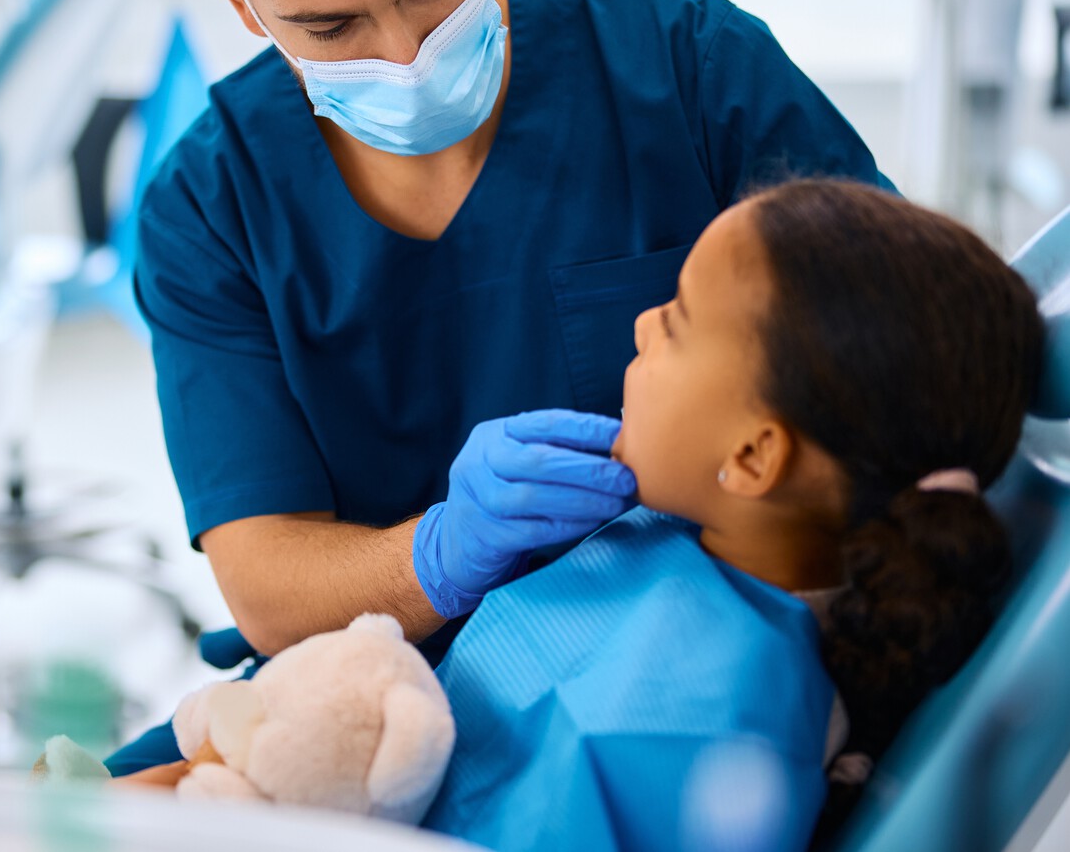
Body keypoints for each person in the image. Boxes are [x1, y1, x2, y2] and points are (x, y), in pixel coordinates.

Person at [110, 0, 890, 775]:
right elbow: (269, 581)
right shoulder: (212, 204)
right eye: (332, 29)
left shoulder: (691, 72)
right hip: (378, 683)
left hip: (675, 651)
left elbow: (894, 346)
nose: (405, 52)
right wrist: (439, 552)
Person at [425, 180, 1040, 850]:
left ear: (751, 457)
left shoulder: (719, 729)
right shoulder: (675, 532)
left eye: (677, 320)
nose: (640, 324)